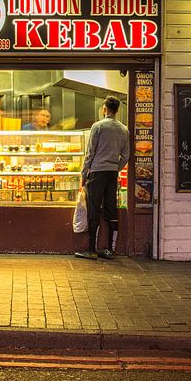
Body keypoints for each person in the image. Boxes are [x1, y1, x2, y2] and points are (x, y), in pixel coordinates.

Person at [75, 96, 130, 260]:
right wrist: (116, 168)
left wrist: (83, 174)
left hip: (97, 172)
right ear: (117, 110)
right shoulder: (123, 129)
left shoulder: (98, 126)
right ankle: (110, 249)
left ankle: (91, 250)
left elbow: (90, 153)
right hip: (112, 173)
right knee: (111, 209)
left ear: (104, 109)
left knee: (94, 209)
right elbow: (126, 155)